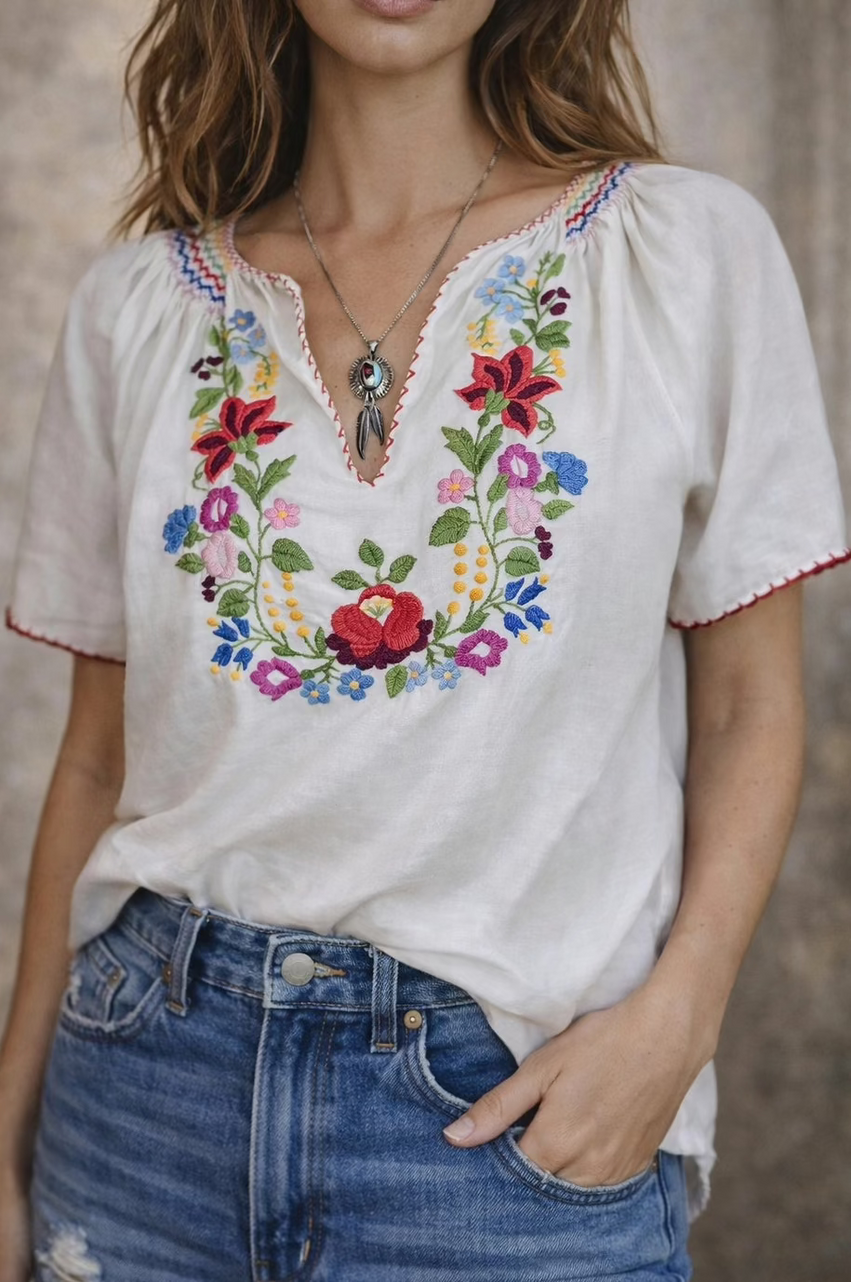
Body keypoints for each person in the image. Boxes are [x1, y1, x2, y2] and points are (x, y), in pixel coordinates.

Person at [1, 0, 848, 1277]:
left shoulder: (682, 255)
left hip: (504, 1115)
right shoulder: (138, 312)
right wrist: (3, 1142)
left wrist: (676, 1022)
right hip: (142, 1099)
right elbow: (94, 763)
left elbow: (749, 706)